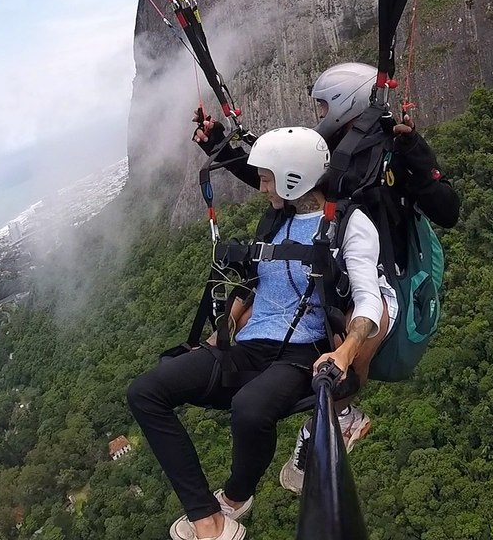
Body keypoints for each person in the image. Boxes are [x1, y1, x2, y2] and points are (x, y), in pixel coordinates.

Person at [193, 63, 460, 492]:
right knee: (251, 311)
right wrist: (221, 144)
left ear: (342, 102)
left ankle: (336, 415)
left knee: (348, 331)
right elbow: (280, 181)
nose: (317, 111)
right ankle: (246, 386)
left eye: (322, 104)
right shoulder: (326, 150)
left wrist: (418, 157)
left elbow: (447, 209)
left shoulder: (389, 151)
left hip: (370, 276)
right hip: (325, 268)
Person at [129, 127, 392, 540]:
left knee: (249, 409)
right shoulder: (275, 220)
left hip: (304, 350)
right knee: (146, 391)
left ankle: (235, 496)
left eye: (268, 178)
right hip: (251, 345)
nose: (261, 186)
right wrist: (224, 329)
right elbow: (254, 282)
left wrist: (345, 354)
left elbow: (367, 298)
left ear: (293, 177)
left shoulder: (350, 224)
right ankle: (208, 519)